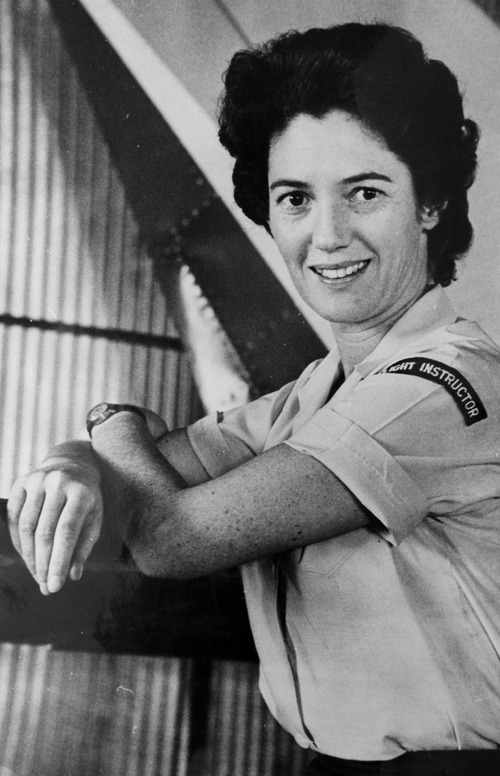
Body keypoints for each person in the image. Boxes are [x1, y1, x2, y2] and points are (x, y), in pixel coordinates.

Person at [7, 22, 500, 775]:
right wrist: (72, 463)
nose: (327, 235)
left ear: (429, 203)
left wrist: (109, 420)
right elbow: (145, 467)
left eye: (365, 193)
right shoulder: (312, 396)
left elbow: (171, 538)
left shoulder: (439, 386)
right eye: (295, 198)